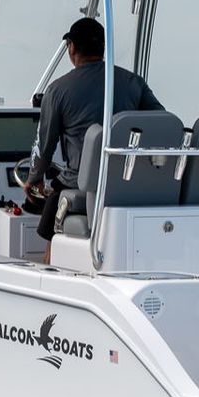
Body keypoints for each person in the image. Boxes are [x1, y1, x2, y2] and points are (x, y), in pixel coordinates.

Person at [26, 16, 166, 248]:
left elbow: (44, 146)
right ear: (103, 47)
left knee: (52, 204)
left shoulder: (57, 90)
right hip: (128, 181)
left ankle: (50, 261)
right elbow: (162, 123)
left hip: (79, 184)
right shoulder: (133, 82)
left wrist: (33, 180)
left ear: (71, 47)